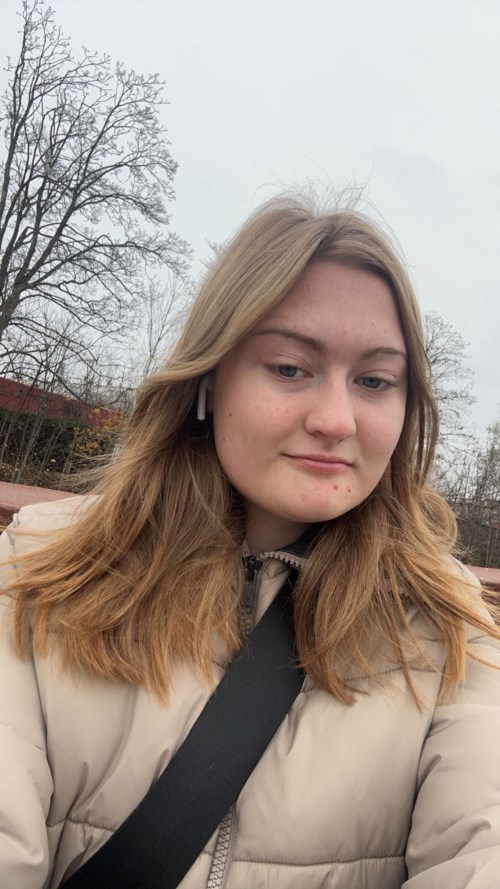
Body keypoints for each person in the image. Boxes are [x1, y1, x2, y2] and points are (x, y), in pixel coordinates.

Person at [1, 193, 499, 889]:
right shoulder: (38, 573)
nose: (337, 419)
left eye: (374, 381)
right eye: (290, 368)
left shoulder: (452, 631)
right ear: (209, 379)